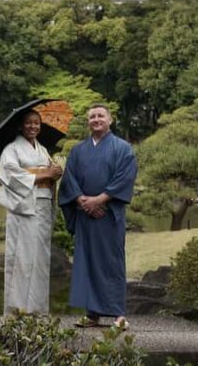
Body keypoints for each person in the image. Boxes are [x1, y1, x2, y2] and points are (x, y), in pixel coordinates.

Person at [58, 103, 137, 329]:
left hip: (109, 215)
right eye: (92, 117)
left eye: (100, 115)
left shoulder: (123, 148)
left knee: (112, 263)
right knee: (86, 262)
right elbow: (69, 179)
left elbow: (125, 178)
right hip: (85, 215)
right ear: (88, 122)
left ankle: (118, 315)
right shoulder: (78, 150)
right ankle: (92, 314)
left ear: (110, 120)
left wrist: (100, 199)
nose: (96, 119)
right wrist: (81, 200)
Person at [0, 110, 63, 315]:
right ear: (20, 126)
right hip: (24, 208)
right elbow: (9, 174)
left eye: (37, 123)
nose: (33, 126)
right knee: (22, 257)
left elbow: (48, 175)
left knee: (41, 259)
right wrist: (45, 173)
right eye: (28, 123)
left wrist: (55, 173)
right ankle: (17, 308)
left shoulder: (42, 150)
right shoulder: (11, 149)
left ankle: (37, 308)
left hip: (42, 204)